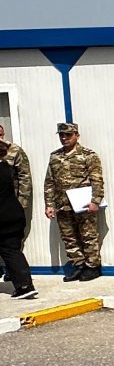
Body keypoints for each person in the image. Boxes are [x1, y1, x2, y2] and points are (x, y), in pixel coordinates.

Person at [44, 122, 103, 280]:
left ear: (77, 135)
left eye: (68, 135)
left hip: (83, 204)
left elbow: (96, 180)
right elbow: (50, 182)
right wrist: (49, 204)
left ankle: (93, 267)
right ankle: (78, 265)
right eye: (61, 135)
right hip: (62, 205)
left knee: (88, 235)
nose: (64, 138)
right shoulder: (55, 156)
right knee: (69, 237)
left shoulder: (88, 155)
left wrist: (95, 201)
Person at [0, 123, 36, 300]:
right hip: (13, 213)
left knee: (9, 249)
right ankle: (25, 285)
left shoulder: (13, 156)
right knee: (12, 250)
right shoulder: (6, 168)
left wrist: (24, 202)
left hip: (4, 215)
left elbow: (24, 178)